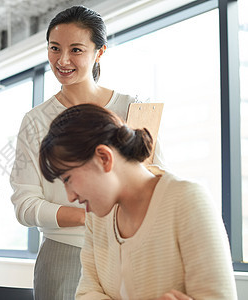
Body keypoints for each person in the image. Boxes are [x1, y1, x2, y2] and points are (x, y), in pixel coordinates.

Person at [10, 5, 163, 299]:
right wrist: (88, 217)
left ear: (100, 52)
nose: (63, 60)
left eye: (76, 50)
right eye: (54, 48)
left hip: (128, 252)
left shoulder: (135, 107)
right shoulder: (35, 121)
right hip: (64, 255)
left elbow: (157, 179)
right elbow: (24, 205)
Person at [39, 103, 237, 299]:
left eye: (68, 179)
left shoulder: (188, 200)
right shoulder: (96, 218)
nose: (71, 196)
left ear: (104, 158)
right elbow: (85, 295)